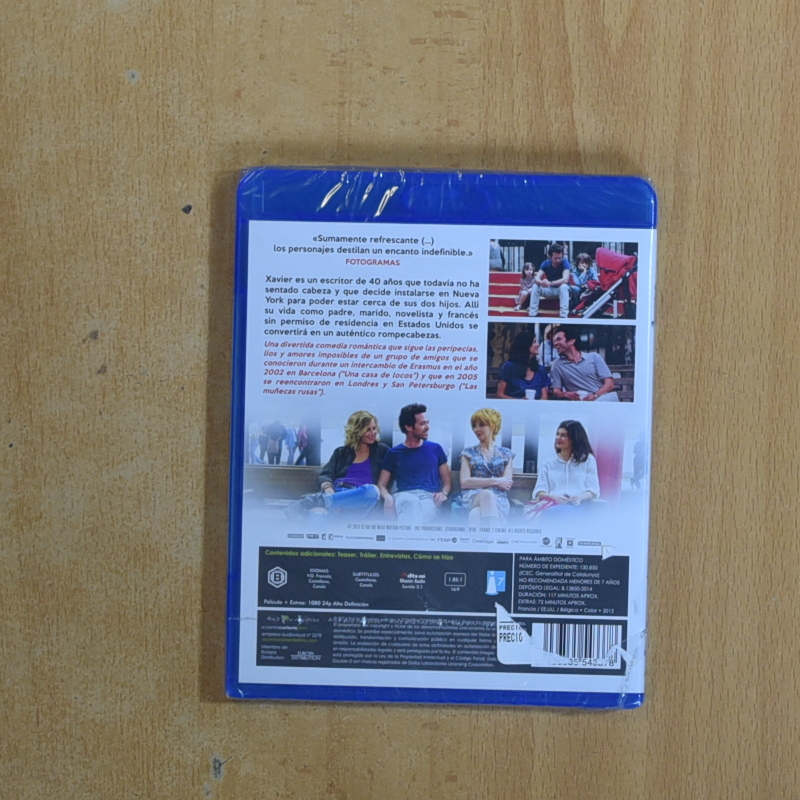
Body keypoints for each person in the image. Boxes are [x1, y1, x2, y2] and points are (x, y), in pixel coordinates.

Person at [285, 411, 388, 518]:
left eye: (374, 428)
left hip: (361, 498)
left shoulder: (381, 451)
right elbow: (326, 474)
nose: (373, 433)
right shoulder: (341, 452)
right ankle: (331, 502)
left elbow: (395, 464)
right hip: (338, 492)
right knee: (317, 515)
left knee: (372, 491)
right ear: (357, 431)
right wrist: (329, 490)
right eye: (368, 429)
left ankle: (324, 502)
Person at [378, 403, 452, 525]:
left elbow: (447, 481)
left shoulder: (435, 449)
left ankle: (403, 536)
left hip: (429, 498)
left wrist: (444, 493)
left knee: (416, 512)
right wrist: (388, 497)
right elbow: (381, 484)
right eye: (422, 424)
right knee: (411, 503)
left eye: (427, 423)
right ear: (408, 427)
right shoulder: (393, 453)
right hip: (403, 496)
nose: (427, 427)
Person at [451, 409, 514, 523]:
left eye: (482, 425)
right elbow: (465, 482)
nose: (476, 429)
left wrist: (478, 482)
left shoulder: (506, 454)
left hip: (498, 500)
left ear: (493, 426)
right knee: (486, 494)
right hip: (472, 497)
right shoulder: (468, 453)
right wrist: (495, 481)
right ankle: (493, 533)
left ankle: (484, 534)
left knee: (475, 515)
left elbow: (506, 483)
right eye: (474, 426)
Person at [528, 420, 600, 517]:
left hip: (578, 506)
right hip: (552, 505)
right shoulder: (548, 463)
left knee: (564, 514)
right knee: (554, 513)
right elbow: (539, 491)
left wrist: (579, 497)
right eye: (558, 434)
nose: (558, 438)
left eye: (564, 435)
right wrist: (553, 497)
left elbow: (593, 490)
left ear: (574, 438)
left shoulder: (588, 460)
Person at [548, 328, 618, 401]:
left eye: (558, 339)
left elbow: (610, 384)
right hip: (580, 402)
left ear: (571, 341)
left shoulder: (594, 357)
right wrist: (565, 394)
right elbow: (556, 392)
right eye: (554, 341)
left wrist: (595, 396)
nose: (555, 343)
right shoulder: (557, 365)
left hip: (600, 398)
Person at [496, 330, 550, 400]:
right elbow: (500, 394)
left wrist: (536, 404)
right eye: (534, 342)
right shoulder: (509, 367)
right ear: (525, 345)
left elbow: (544, 397)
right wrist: (519, 402)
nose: (538, 344)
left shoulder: (540, 370)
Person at [528, 244, 571, 318]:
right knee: (535, 286)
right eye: (555, 258)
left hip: (561, 291)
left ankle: (563, 316)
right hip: (549, 290)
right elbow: (536, 278)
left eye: (560, 258)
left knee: (564, 287)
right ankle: (532, 314)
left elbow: (565, 279)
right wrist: (541, 282)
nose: (558, 260)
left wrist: (551, 283)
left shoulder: (565, 262)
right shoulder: (546, 263)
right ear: (550, 257)